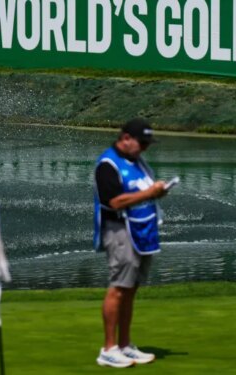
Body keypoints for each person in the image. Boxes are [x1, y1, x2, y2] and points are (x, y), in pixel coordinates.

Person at [93, 118, 168, 368]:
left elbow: (142, 190)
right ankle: (108, 348)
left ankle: (125, 345)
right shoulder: (107, 164)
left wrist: (157, 191)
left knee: (131, 288)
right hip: (119, 231)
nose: (145, 148)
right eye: (142, 143)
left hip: (141, 231)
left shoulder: (138, 162)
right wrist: (149, 193)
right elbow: (113, 202)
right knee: (118, 287)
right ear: (125, 138)